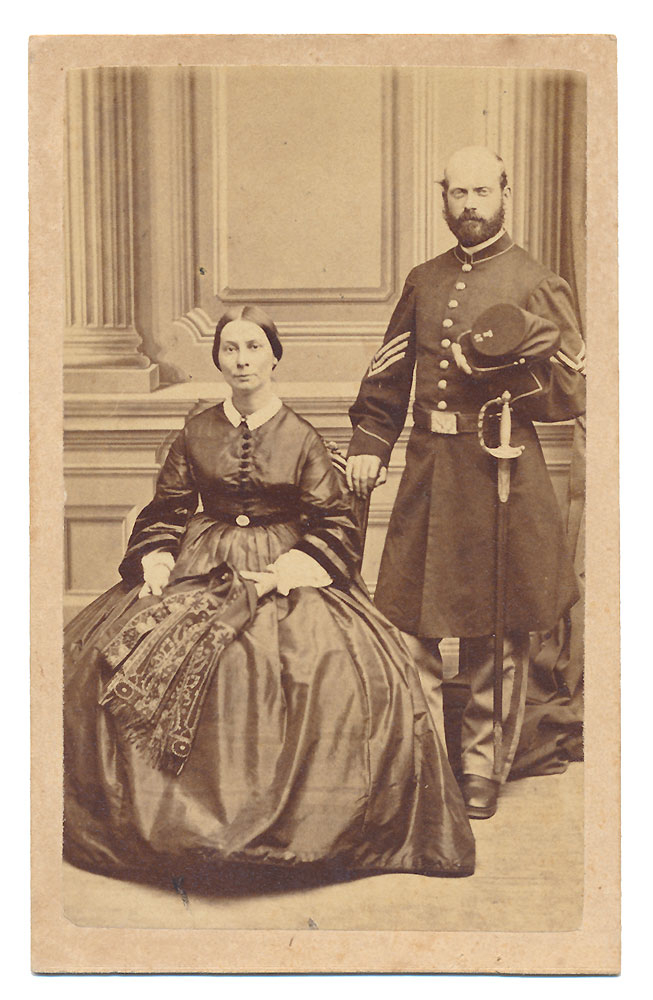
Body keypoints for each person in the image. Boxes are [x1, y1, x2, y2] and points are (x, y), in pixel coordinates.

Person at [63, 304, 475, 882]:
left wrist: (291, 568)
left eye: (254, 348)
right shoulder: (197, 429)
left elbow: (334, 522)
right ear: (218, 360)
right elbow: (169, 509)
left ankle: (295, 827)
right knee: (116, 652)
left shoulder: (302, 436)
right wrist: (156, 555)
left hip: (284, 563)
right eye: (231, 349)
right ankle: (169, 824)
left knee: (313, 664)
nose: (242, 360)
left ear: (274, 357)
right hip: (201, 560)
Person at [346, 146, 586, 820]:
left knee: (494, 628)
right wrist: (369, 442)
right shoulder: (423, 279)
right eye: (457, 194)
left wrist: (522, 348)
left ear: (505, 191)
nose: (470, 206)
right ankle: (423, 759)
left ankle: (481, 766)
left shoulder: (537, 280)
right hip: (429, 467)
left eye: (482, 191)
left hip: (499, 469)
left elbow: (572, 391)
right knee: (410, 620)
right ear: (442, 198)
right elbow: (388, 373)